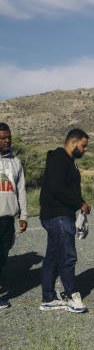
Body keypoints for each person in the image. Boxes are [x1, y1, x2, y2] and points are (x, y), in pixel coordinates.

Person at [38, 128, 91, 313]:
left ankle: (48, 298)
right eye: (83, 146)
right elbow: (57, 188)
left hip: (59, 215)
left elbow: (68, 189)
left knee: (52, 257)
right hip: (57, 215)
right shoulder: (59, 158)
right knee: (68, 256)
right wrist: (79, 202)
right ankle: (71, 295)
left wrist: (81, 203)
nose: (85, 150)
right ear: (73, 142)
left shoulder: (69, 161)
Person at [0, 123, 27, 310]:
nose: (7, 141)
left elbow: (21, 190)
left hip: (7, 219)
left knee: (2, 257)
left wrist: (23, 215)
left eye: (8, 137)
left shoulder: (15, 162)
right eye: (2, 138)